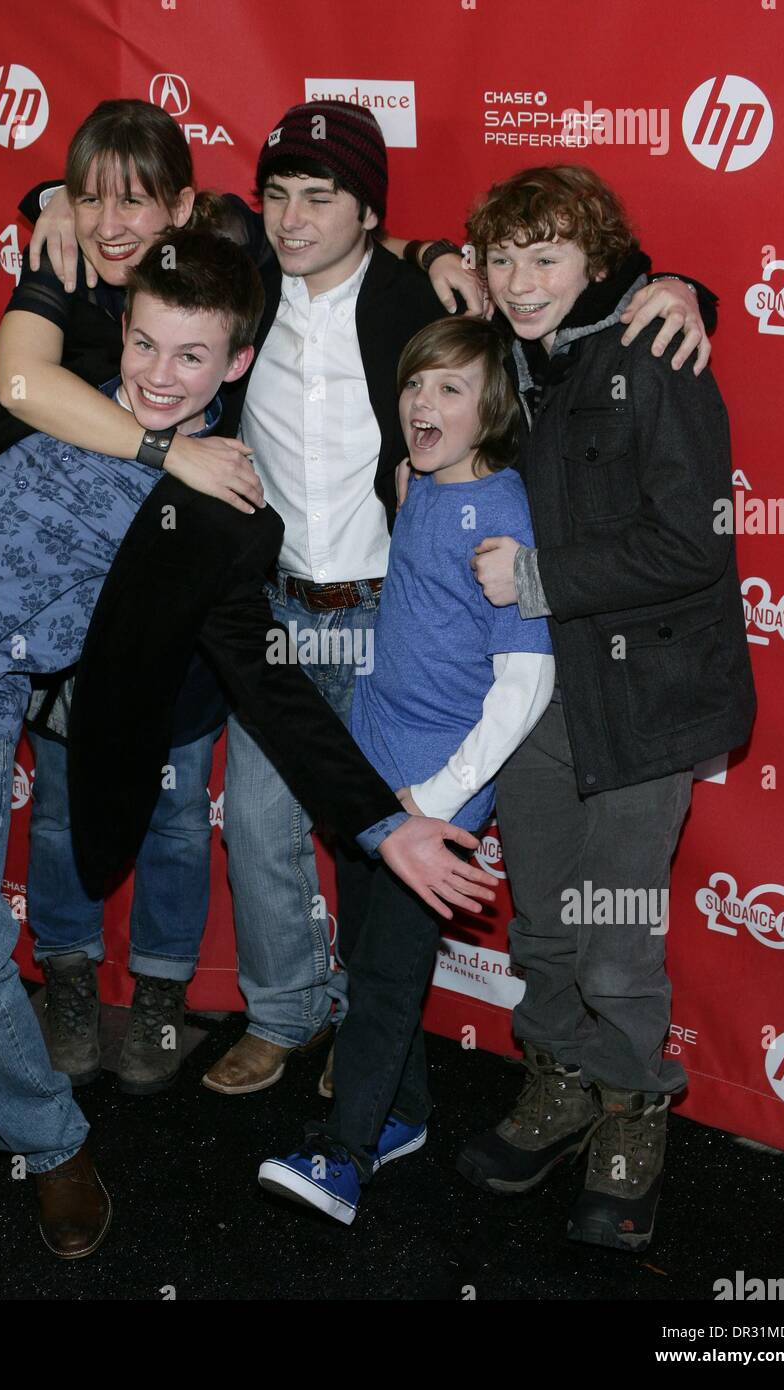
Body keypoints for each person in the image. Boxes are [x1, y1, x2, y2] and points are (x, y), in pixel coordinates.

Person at [0, 228, 494, 1261]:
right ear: (122, 331)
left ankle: (48, 1144)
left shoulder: (222, 516)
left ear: (236, 364)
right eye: (146, 345)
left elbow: (268, 681)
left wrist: (383, 821)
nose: (159, 376)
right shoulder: (55, 382)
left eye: (191, 357)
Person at [185, 101, 713, 1097]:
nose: (293, 218)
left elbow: (601, 317)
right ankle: (287, 1014)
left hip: (415, 624)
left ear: (368, 214)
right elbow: (164, 231)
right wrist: (47, 201)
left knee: (410, 855)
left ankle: (383, 1040)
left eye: (320, 196)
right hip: (291, 613)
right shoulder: (249, 287)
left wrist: (679, 289)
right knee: (264, 822)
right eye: (278, 197)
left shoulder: (438, 307)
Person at [459, 164, 756, 1251]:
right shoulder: (512, 353)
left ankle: (633, 1112)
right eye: (503, 257)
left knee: (614, 938)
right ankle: (560, 1086)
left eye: (545, 258)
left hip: (646, 694)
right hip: (540, 690)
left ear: (598, 264)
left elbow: (691, 544)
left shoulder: (651, 350)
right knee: (539, 917)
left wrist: (536, 577)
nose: (521, 280)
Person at [258, 315, 555, 1223]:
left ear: (493, 406)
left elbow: (527, 683)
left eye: (450, 389)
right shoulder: (415, 482)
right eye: (415, 385)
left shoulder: (504, 516)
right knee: (369, 955)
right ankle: (404, 1115)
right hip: (369, 770)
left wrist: (438, 796)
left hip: (433, 798)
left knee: (386, 977)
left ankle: (344, 1160)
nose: (423, 403)